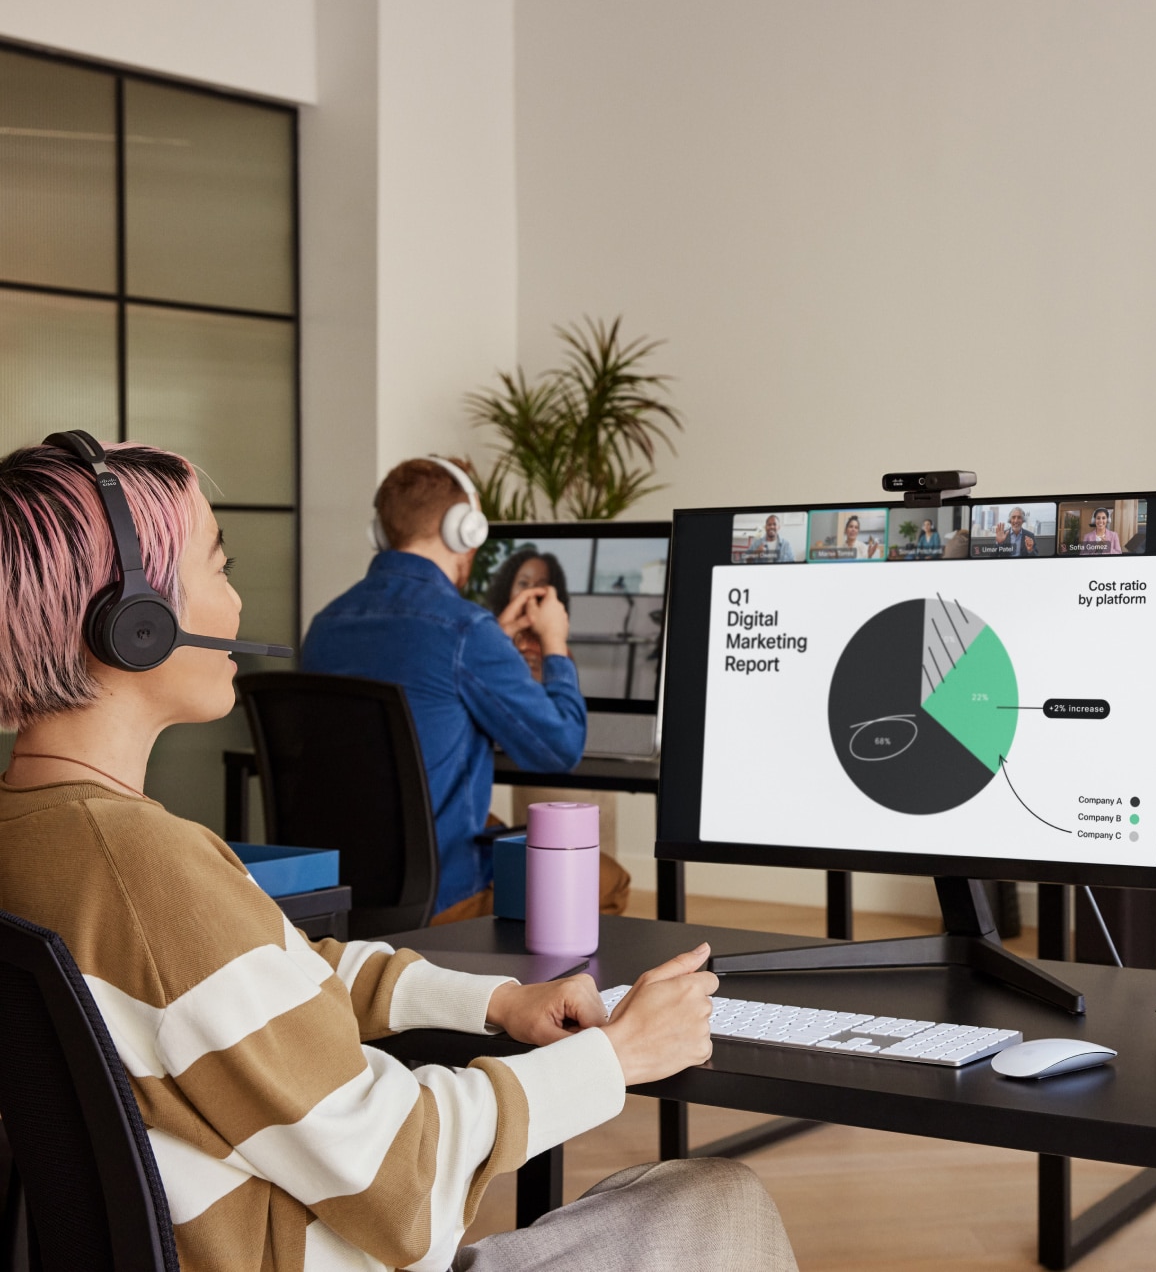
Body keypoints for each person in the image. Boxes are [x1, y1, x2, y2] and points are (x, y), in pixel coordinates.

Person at [0, 436, 798, 1272]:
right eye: (220, 565)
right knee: (719, 1198)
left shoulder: (48, 836)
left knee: (655, 1195)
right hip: (310, 1249)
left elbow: (273, 971)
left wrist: (497, 1002)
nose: (238, 605)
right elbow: (399, 1179)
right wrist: (614, 1056)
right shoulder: (147, 872)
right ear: (136, 620)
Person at [302, 459, 630, 922]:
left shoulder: (325, 625)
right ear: (464, 530)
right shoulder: (464, 631)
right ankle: (531, 994)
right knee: (607, 880)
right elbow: (559, 750)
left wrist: (491, 638)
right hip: (437, 896)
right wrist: (555, 644)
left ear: (382, 531)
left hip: (339, 889)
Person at [485, 546, 570, 681]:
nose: (530, 593)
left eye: (540, 585)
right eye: (523, 583)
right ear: (508, 589)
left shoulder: (558, 651)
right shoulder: (485, 637)